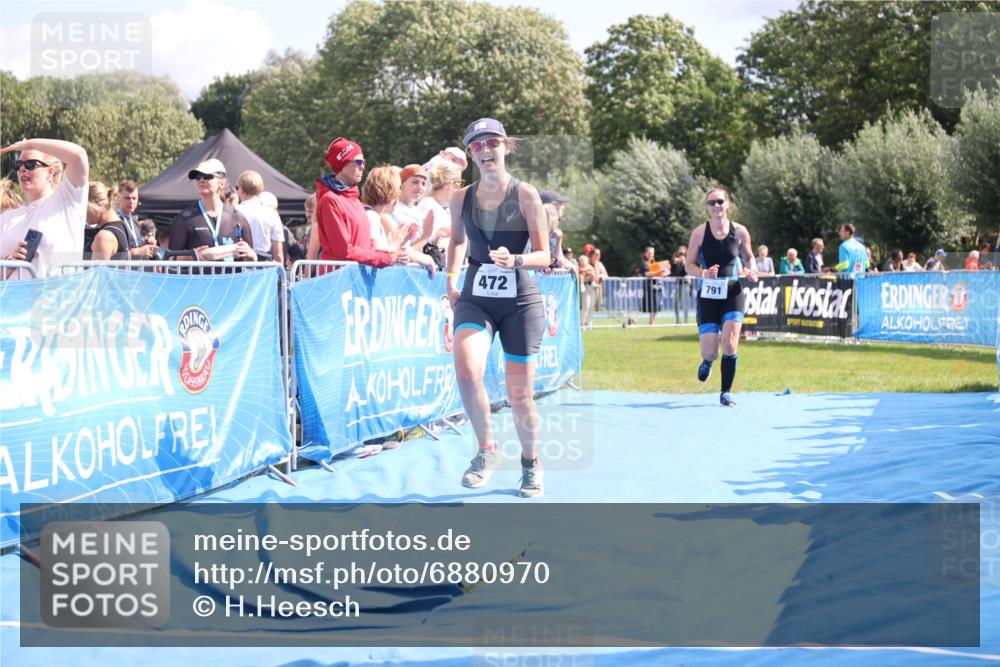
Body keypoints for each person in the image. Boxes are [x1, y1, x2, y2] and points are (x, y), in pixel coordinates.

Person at [446, 118, 551, 498]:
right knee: (468, 370)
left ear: (506, 147)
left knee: (520, 395)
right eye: (477, 145)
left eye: (492, 143)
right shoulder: (460, 198)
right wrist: (451, 278)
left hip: (520, 300)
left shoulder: (525, 195)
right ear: (471, 154)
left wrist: (517, 261)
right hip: (476, 294)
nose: (485, 150)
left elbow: (545, 254)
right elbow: (457, 239)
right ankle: (487, 450)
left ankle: (530, 464)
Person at [684, 187, 758, 407]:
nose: (716, 206)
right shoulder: (699, 233)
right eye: (711, 203)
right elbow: (688, 264)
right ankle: (707, 361)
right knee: (710, 350)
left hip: (733, 292)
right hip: (708, 294)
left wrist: (751, 269)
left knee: (730, 343)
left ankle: (725, 392)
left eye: (719, 202)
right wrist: (704, 273)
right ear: (707, 208)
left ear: (728, 203)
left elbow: (749, 257)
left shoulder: (741, 232)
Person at [307, 137, 405, 268]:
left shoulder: (354, 200)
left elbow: (366, 246)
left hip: (356, 279)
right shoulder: (330, 200)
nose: (363, 166)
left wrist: (394, 251)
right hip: (340, 281)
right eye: (358, 162)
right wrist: (387, 258)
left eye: (363, 162)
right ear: (343, 164)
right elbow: (344, 251)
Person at [1, 138, 89, 279]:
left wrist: (28, 144)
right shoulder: (6, 218)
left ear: (50, 173)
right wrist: (10, 262)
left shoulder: (67, 201)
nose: (22, 169)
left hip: (58, 299)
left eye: (30, 164)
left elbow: (78, 155)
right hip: (13, 299)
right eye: (18, 164)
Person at [167, 158, 257, 262]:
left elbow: (250, 260)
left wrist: (252, 256)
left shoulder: (237, 217)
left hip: (232, 278)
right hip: (199, 278)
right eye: (198, 177)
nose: (201, 180)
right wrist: (191, 256)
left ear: (222, 183)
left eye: (207, 176)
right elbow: (169, 259)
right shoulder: (185, 218)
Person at [414, 160, 462, 269]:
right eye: (459, 182)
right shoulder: (429, 206)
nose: (460, 188)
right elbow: (427, 243)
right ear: (450, 184)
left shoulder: (437, 207)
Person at [237, 171, 285, 264]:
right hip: (264, 267)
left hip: (240, 267)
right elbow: (278, 254)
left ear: (242, 189)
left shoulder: (234, 212)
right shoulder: (272, 213)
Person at [640, 246, 668, 325]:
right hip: (649, 287)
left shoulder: (654, 263)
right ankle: (651, 322)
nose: (651, 255)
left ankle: (652, 322)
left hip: (657, 286)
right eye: (650, 253)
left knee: (656, 306)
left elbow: (659, 274)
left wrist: (665, 271)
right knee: (653, 306)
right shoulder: (644, 264)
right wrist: (659, 271)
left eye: (652, 253)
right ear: (645, 254)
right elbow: (647, 274)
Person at [578, 253, 597, 329]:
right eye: (581, 260)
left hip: (591, 286)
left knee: (592, 306)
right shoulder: (579, 268)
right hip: (584, 287)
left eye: (584, 260)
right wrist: (586, 272)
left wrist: (587, 272)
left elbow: (593, 273)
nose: (582, 262)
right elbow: (581, 272)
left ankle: (589, 323)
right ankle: (582, 323)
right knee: (586, 305)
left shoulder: (590, 267)